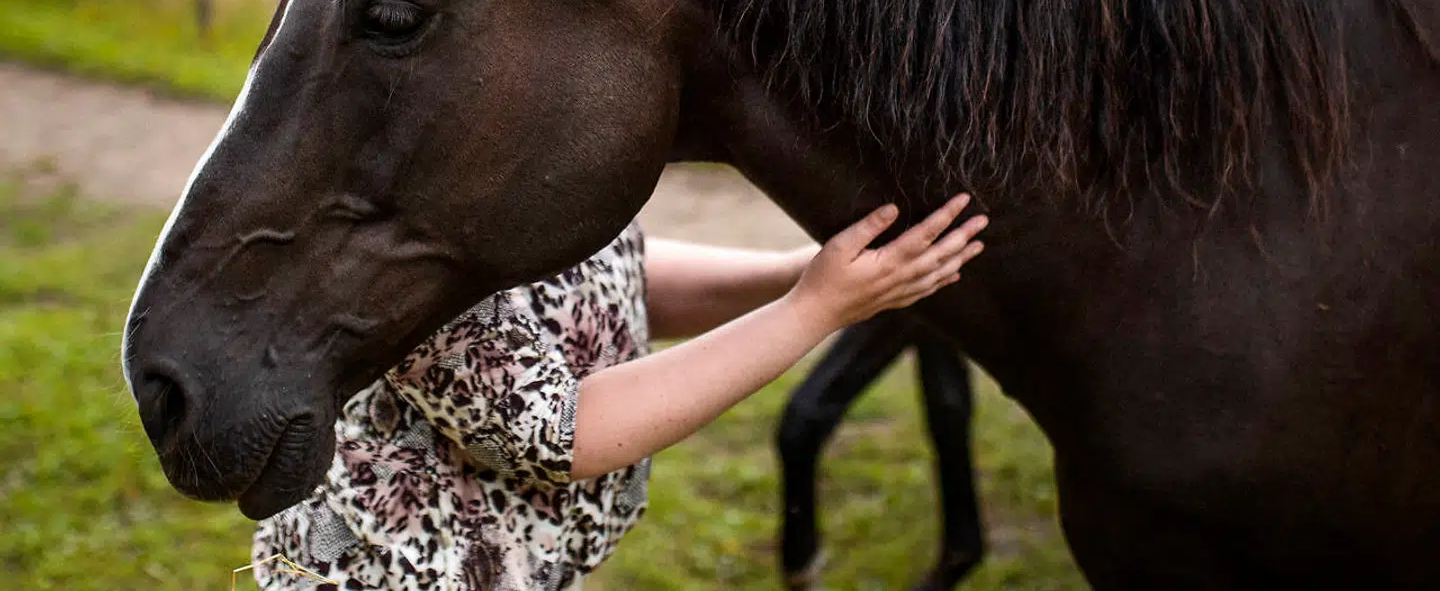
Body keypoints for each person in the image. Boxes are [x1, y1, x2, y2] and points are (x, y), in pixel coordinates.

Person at [252, 193, 988, 591]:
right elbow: (553, 430)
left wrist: (799, 272)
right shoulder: (405, 218)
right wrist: (813, 309)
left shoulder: (528, 155)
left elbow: (617, 280)